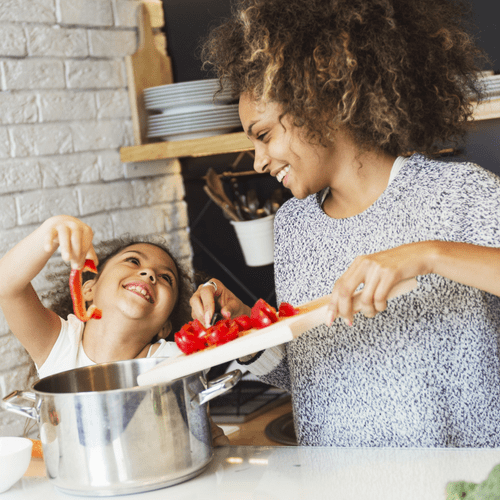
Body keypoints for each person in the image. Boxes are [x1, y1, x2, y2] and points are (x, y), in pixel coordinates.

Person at [190, 0, 500, 447]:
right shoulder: (294, 226)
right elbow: (317, 375)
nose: (258, 160)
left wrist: (427, 255)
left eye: (263, 135)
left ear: (317, 103)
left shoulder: (459, 193)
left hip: (459, 483)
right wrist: (250, 335)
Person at [0, 214, 228, 445]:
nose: (149, 274)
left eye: (165, 278)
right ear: (89, 289)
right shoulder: (61, 345)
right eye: (133, 261)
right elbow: (7, 285)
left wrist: (216, 296)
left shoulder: (177, 358)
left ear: (165, 327)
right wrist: (51, 229)